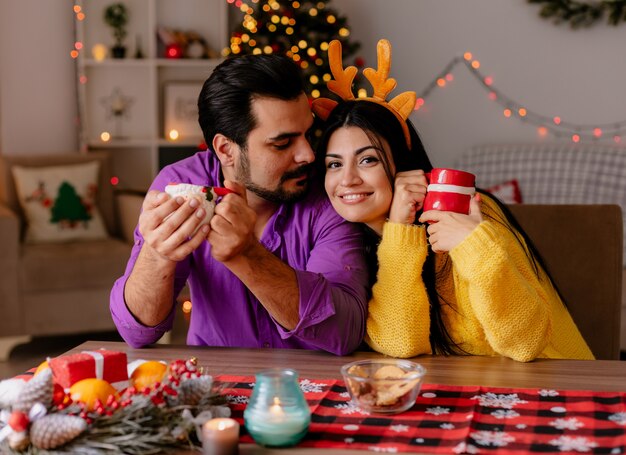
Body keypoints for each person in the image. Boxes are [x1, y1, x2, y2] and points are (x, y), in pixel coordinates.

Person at [313, 39, 594, 362]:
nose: (347, 179)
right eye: (334, 164)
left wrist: (477, 246)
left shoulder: (464, 210)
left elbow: (524, 343)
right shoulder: (345, 240)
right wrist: (400, 229)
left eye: (367, 160)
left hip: (556, 387)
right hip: (464, 395)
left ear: (403, 166)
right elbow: (399, 342)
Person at [110, 53, 369, 355]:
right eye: (283, 143)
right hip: (215, 383)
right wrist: (156, 255)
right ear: (226, 150)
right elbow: (137, 332)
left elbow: (347, 331)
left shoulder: (329, 193)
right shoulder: (183, 185)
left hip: (314, 388)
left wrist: (247, 255)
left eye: (307, 134)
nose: (308, 155)